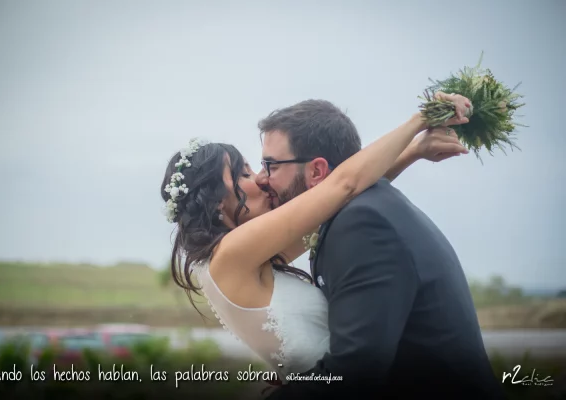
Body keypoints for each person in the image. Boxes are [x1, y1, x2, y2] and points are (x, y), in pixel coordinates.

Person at [160, 93, 487, 399]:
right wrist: (419, 120)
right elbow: (342, 185)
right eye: (244, 173)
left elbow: (330, 197)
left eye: (264, 167)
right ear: (218, 202)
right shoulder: (233, 254)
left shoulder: (237, 259)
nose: (260, 179)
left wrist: (413, 152)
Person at [255, 97, 505, 399]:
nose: (261, 177)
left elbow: (354, 372)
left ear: (317, 171)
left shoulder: (362, 225)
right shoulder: (364, 207)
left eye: (270, 165)